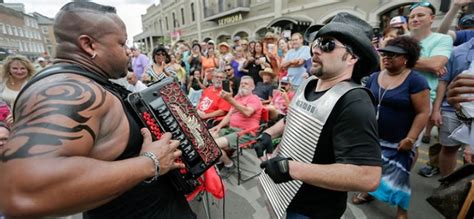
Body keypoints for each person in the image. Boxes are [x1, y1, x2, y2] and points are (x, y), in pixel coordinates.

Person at [0, 2, 194, 218]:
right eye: (122, 43)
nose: (129, 52)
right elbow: (20, 192)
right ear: (89, 45)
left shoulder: (86, 80)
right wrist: (151, 162)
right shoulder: (69, 90)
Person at [258, 12, 382, 219]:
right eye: (316, 43)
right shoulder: (309, 83)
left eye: (327, 45)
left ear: (352, 57)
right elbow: (297, 117)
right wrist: (270, 133)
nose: (315, 49)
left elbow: (368, 177)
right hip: (284, 196)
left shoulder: (355, 102)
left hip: (313, 210)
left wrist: (290, 168)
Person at [352, 36, 430, 219]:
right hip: (373, 137)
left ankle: (402, 211)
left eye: (393, 55)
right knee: (371, 169)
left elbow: (423, 112)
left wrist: (411, 138)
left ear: (406, 58)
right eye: (385, 54)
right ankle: (369, 192)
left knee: (398, 178)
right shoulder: (374, 77)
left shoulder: (416, 81)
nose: (387, 57)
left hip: (399, 141)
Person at [408, 1, 454, 178]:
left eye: (420, 15)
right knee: (383, 143)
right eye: (412, 16)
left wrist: (401, 59)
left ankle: (399, 181)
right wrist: (425, 64)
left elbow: (437, 64)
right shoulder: (403, 38)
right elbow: (385, 64)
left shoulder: (442, 39)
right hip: (392, 94)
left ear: (432, 18)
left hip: (421, 102)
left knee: (410, 145)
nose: (415, 19)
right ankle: (374, 185)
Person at [431, 37, 474, 177]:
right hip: (453, 110)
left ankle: (467, 190)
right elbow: (444, 82)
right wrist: (436, 110)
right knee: (449, 148)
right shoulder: (457, 52)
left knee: (470, 154)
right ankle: (447, 184)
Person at [209, 76, 262, 178]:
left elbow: (247, 112)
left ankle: (229, 164)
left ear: (253, 87)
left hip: (245, 133)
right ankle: (220, 159)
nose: (243, 84)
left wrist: (230, 100)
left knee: (212, 145)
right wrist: (219, 126)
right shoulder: (238, 98)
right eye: (242, 83)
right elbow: (229, 116)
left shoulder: (254, 99)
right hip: (231, 130)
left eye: (246, 83)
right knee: (207, 138)